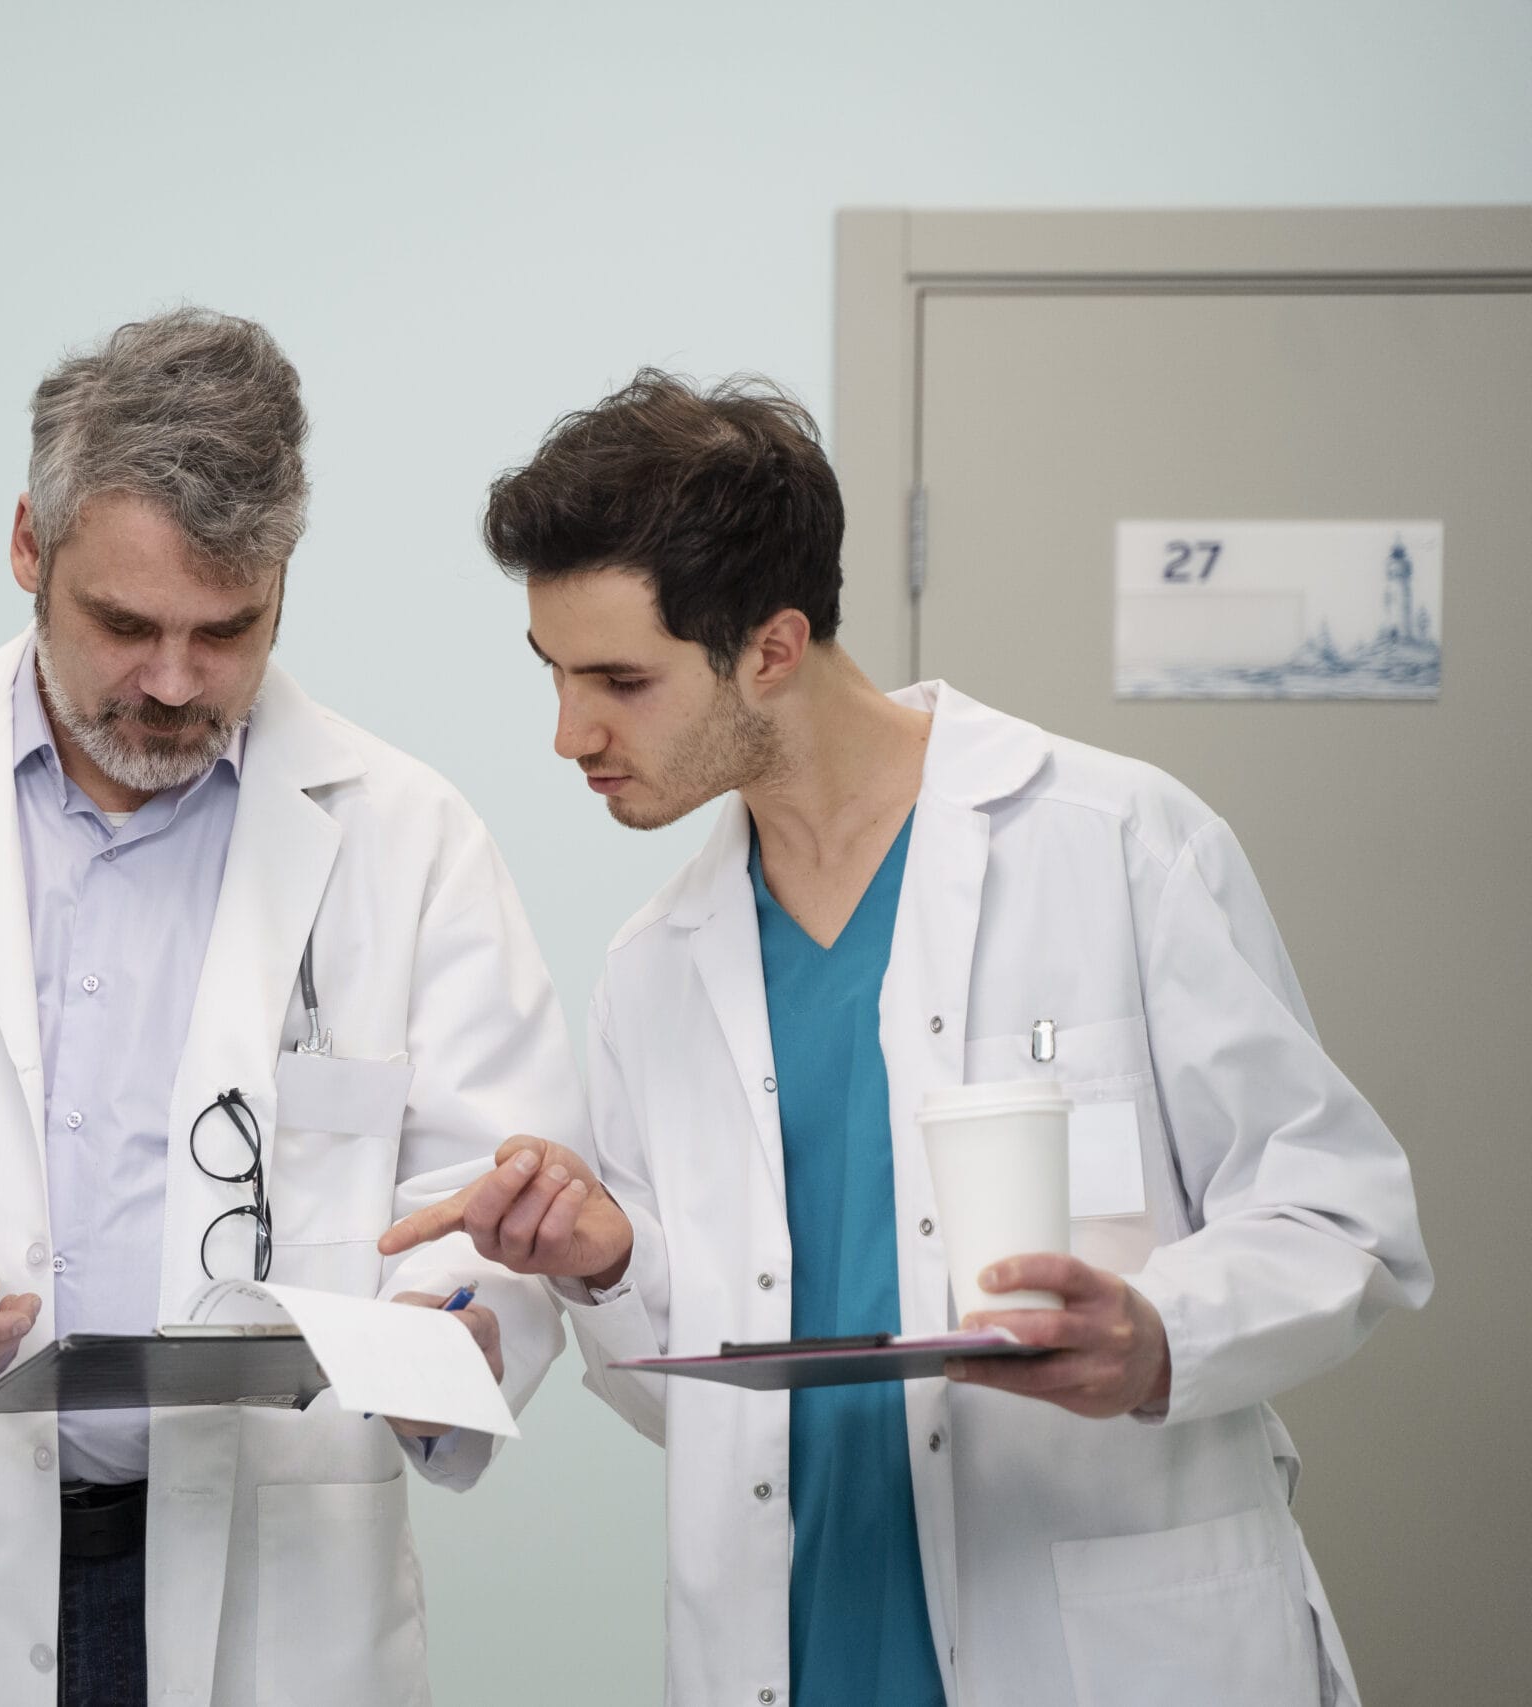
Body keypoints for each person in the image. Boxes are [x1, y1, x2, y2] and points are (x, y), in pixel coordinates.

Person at [383, 372, 1433, 1705]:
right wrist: (609, 1263)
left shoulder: (1112, 846)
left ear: (770, 648)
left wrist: (1163, 1332)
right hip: (800, 1652)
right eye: (553, 673)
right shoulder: (656, 968)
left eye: (620, 681)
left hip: (1103, 1650)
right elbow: (698, 1401)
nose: (567, 733)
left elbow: (1346, 1218)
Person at [0, 308, 583, 1707]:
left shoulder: (409, 836)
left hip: (279, 1594)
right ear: (30, 551)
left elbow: (495, 1191)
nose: (172, 683)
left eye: (227, 632)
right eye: (125, 625)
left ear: (284, 579)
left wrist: (459, 1332)